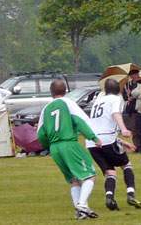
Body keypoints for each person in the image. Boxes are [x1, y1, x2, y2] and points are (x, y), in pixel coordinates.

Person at [37, 79, 102, 219]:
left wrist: (48, 146)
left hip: (54, 148)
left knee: (74, 180)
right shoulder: (68, 103)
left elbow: (40, 134)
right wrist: (94, 138)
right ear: (65, 91)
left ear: (51, 92)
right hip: (69, 143)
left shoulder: (46, 108)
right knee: (90, 175)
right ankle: (83, 205)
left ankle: (80, 213)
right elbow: (80, 122)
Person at [86, 79, 141, 211]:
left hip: (92, 142)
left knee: (110, 172)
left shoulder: (98, 101)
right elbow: (115, 114)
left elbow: (100, 125)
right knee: (126, 165)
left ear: (106, 90)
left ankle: (110, 198)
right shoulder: (116, 99)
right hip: (107, 140)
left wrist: (122, 142)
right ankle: (131, 195)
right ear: (118, 89)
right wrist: (123, 129)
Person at [123, 70, 141, 151]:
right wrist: (127, 94)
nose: (137, 76)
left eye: (137, 74)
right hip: (132, 110)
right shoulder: (127, 85)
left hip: (140, 108)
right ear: (131, 76)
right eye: (135, 74)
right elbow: (124, 97)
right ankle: (136, 146)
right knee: (134, 129)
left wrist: (133, 94)